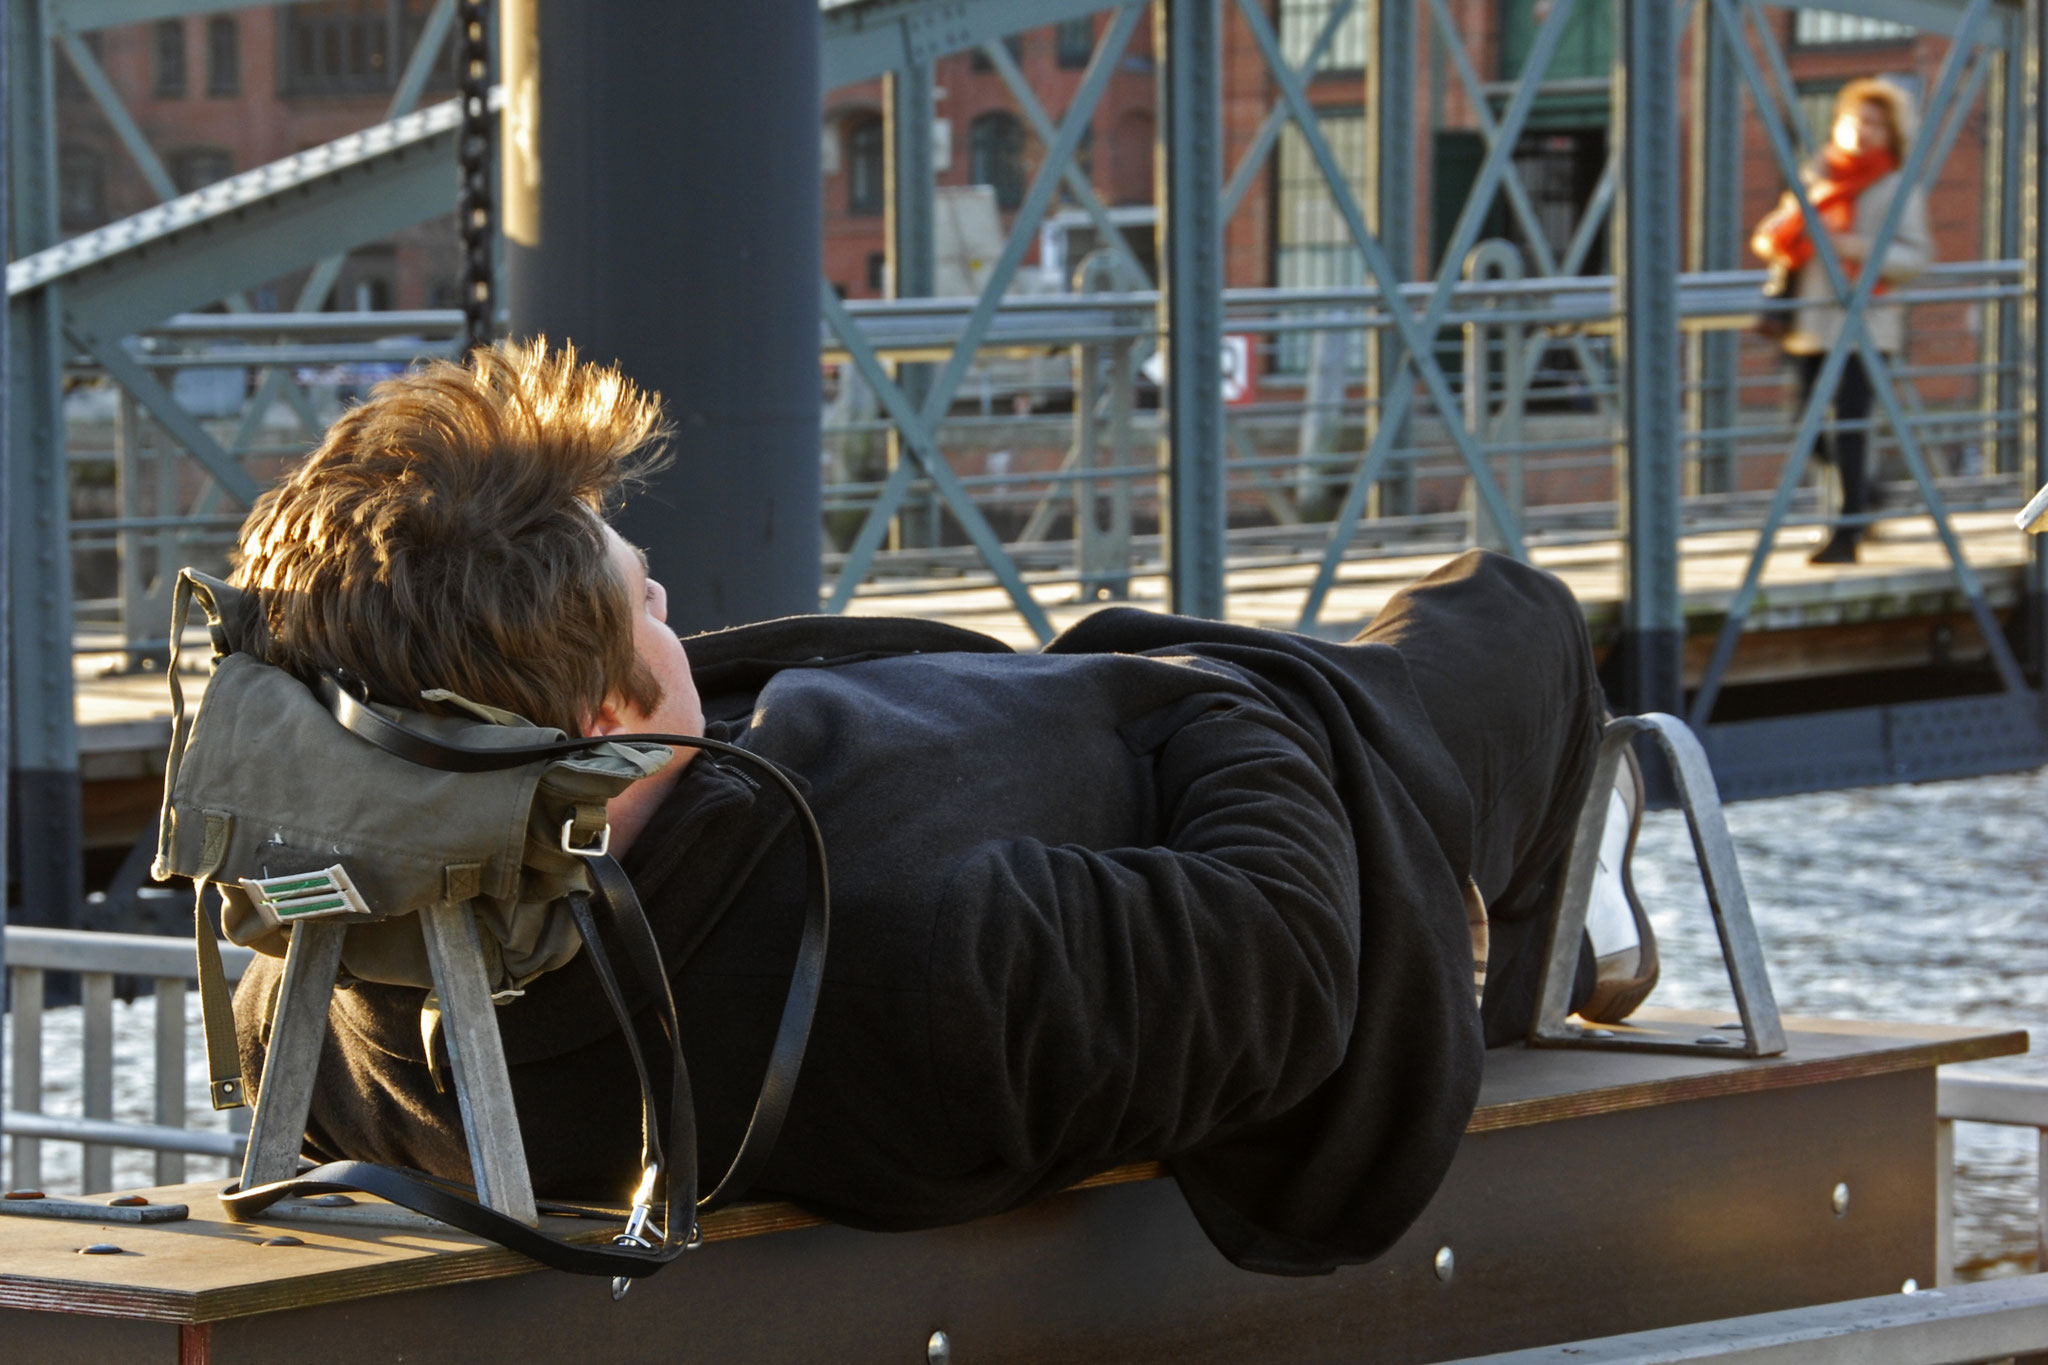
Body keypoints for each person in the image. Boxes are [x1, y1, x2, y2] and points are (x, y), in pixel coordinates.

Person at [225, 341, 1656, 1276]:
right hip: (1215, 761)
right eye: (648, 603)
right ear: (598, 723)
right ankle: (1528, 949)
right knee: (1510, 617)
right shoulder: (920, 970)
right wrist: (1213, 695)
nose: (672, 612)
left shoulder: (333, 1019)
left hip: (981, 732)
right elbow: (1287, 956)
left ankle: (1528, 926)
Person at [1751, 78, 1932, 565]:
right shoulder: (1819, 178)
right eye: (1856, 120)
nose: (1863, 131)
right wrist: (1785, 233)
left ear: (1889, 133)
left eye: (1875, 122)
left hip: (1865, 329)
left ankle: (1846, 531)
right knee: (1805, 427)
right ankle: (1867, 495)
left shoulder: (1896, 186)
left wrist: (1857, 247)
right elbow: (1772, 236)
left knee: (1849, 429)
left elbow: (1916, 256)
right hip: (1810, 327)